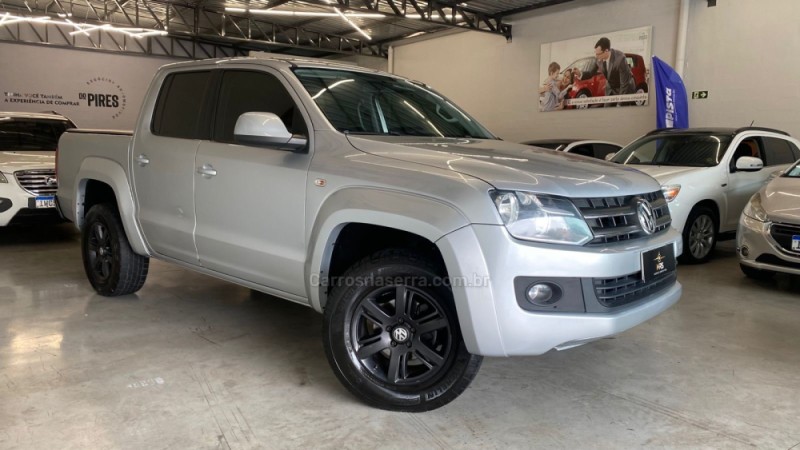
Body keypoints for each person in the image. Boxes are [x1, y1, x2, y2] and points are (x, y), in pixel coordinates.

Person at [590, 37, 636, 106]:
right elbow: (591, 72)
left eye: (598, 54)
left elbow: (624, 84)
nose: (596, 56)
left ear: (606, 51)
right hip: (610, 89)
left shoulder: (620, 59)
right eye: (595, 53)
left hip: (624, 89)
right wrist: (580, 74)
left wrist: (620, 104)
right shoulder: (598, 59)